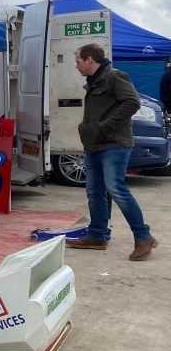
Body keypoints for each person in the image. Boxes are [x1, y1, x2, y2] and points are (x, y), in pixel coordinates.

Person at [65, 43, 157, 260]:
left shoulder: (115, 77)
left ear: (90, 60)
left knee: (116, 189)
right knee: (95, 191)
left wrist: (105, 126)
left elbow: (132, 103)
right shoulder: (94, 81)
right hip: (95, 145)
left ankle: (144, 237)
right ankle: (97, 235)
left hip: (114, 144)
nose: (76, 65)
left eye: (78, 61)